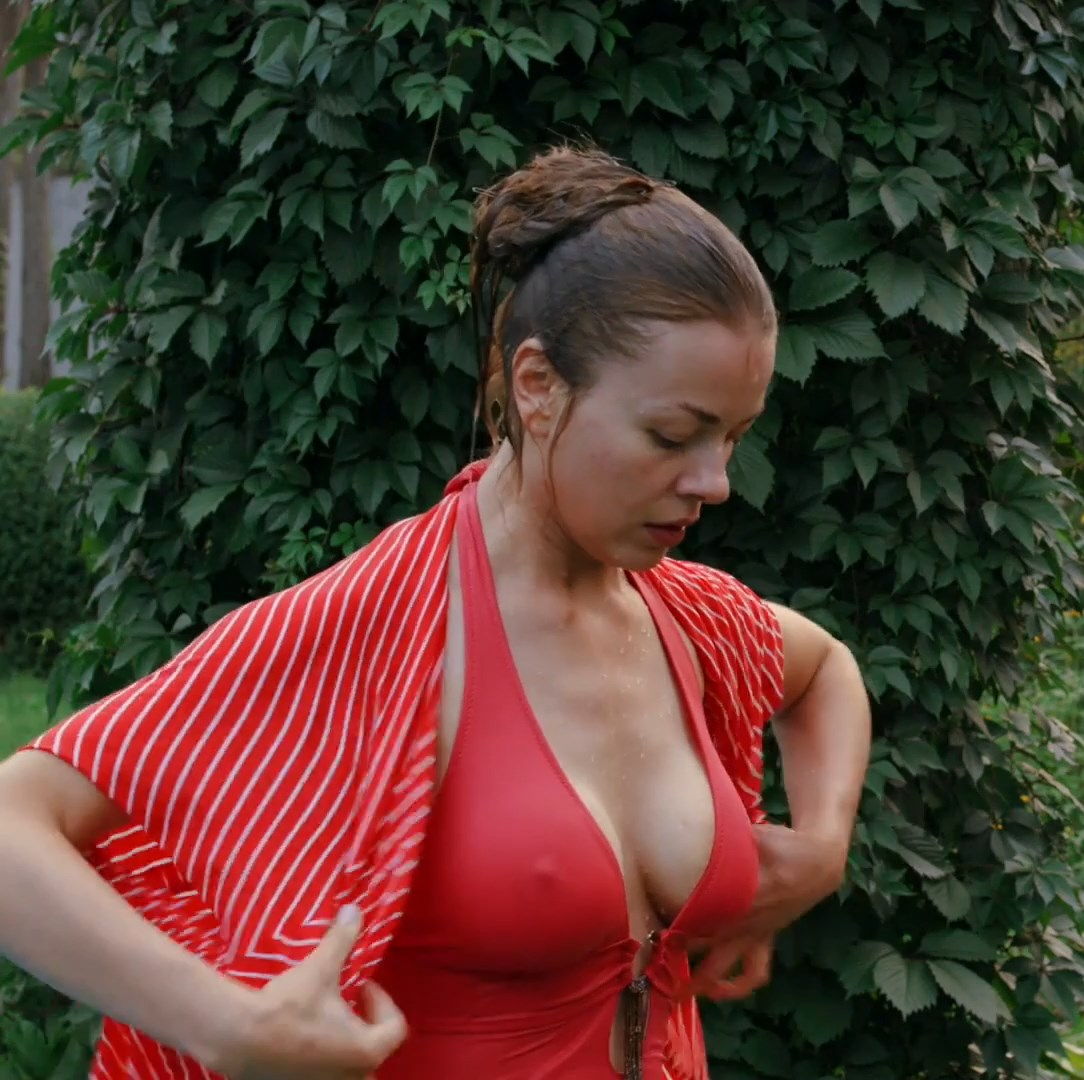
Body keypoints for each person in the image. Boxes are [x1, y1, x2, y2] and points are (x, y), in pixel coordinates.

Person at [0, 145, 871, 1080]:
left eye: (733, 436)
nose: (715, 481)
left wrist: (822, 845)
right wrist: (223, 1025)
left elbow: (825, 672)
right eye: (674, 434)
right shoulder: (380, 630)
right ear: (536, 385)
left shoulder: (694, 625)